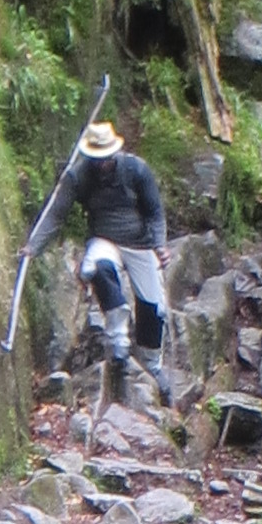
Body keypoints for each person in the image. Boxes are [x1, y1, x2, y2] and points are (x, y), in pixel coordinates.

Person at [29, 120, 168, 375]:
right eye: (97, 158)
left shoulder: (137, 170)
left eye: (106, 158)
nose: (102, 163)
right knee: (96, 267)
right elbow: (55, 214)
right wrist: (32, 247)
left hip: (140, 242)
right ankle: (118, 339)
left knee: (153, 307)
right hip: (104, 239)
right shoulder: (78, 176)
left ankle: (152, 365)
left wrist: (160, 245)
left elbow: (155, 213)